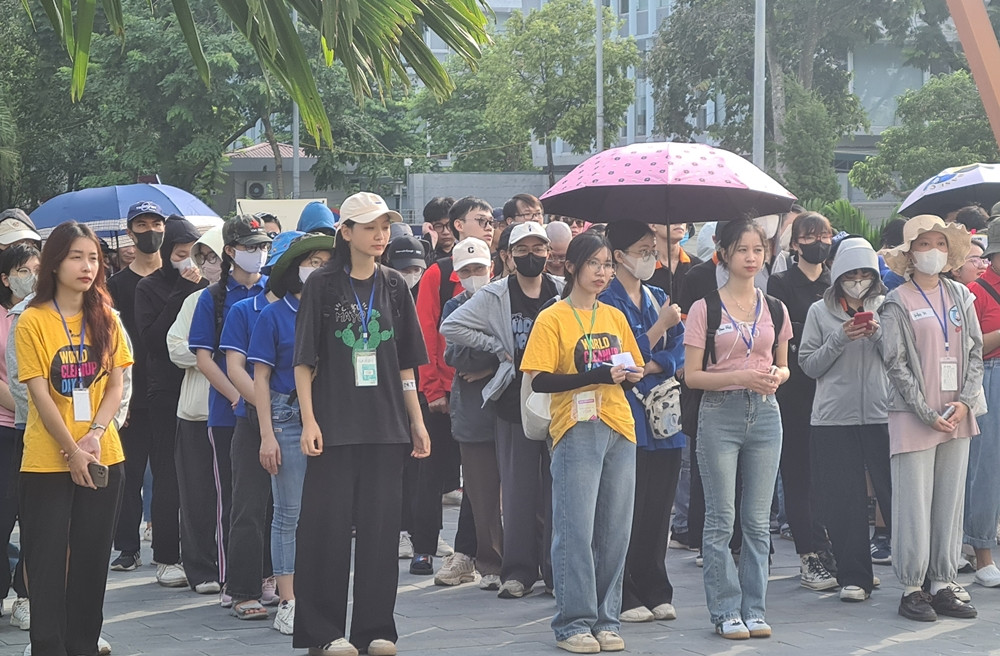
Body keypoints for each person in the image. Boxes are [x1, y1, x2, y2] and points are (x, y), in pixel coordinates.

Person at [292, 191, 430, 656]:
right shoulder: (322, 284)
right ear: (346, 232)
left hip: (386, 428)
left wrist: (416, 421)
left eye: (385, 226)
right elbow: (304, 362)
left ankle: (376, 630)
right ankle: (324, 632)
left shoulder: (394, 285)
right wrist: (309, 420)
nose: (380, 235)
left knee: (381, 534)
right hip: (333, 428)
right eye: (369, 227)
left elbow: (406, 363)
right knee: (326, 532)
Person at [520, 231, 643, 654]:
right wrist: (594, 376)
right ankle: (573, 622)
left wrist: (630, 374)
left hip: (619, 426)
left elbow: (633, 367)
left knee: (615, 530)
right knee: (575, 528)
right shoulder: (552, 317)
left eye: (608, 264)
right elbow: (539, 380)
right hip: (574, 427)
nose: (602, 272)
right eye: (594, 263)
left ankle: (607, 619)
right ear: (571, 266)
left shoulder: (614, 316)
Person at [15, 221, 132, 656]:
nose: (87, 266)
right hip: (48, 460)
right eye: (76, 257)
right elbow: (39, 393)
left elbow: (116, 385)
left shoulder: (107, 317)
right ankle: (48, 647)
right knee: (46, 562)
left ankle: (83, 645)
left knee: (90, 562)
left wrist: (95, 435)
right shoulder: (32, 320)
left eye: (93, 258)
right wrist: (71, 450)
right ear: (54, 263)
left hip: (102, 455)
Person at [442, 223, 565, 598]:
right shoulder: (495, 294)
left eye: (538, 248)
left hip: (558, 400)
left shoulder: (561, 290)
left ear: (548, 253)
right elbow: (452, 326)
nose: (532, 255)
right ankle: (518, 571)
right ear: (508, 256)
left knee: (557, 491)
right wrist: (497, 347)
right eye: (522, 249)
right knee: (517, 492)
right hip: (513, 403)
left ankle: (555, 570)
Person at [683, 218, 791, 640]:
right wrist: (740, 377)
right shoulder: (704, 307)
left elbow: (784, 364)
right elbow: (692, 375)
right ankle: (725, 610)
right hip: (719, 412)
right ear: (723, 253)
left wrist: (776, 375)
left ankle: (755, 608)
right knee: (721, 519)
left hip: (765, 412)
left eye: (758, 250)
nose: (751, 257)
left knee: (758, 520)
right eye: (742, 249)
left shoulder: (775, 307)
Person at [881, 214, 983, 622]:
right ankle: (912, 587)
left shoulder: (961, 295)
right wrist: (924, 410)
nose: (933, 252)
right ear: (909, 254)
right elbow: (895, 362)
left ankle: (943, 581)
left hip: (957, 412)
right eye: (924, 245)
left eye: (940, 244)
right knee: (913, 502)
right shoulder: (896, 301)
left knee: (949, 500)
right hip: (914, 415)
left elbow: (975, 350)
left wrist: (966, 401)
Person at [248, 232, 335, 635]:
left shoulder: (333, 311)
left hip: (331, 415)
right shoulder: (273, 314)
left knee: (326, 512)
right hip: (285, 416)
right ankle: (288, 599)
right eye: (312, 262)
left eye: (325, 263)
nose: (319, 270)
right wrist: (266, 435)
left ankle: (318, 594)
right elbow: (260, 378)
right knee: (289, 512)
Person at [600, 220, 685, 623]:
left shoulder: (658, 296)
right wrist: (659, 328)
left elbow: (679, 351)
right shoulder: (607, 300)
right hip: (627, 412)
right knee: (626, 506)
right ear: (619, 256)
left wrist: (652, 363)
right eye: (643, 250)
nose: (650, 257)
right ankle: (623, 589)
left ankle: (655, 585)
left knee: (658, 506)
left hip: (664, 413)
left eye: (653, 250)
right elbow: (620, 357)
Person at [799, 237, 893, 602]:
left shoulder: (888, 306)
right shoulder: (818, 312)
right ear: (838, 275)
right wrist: (840, 338)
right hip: (833, 420)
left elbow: (901, 359)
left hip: (882, 414)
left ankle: (915, 574)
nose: (857, 281)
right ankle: (854, 576)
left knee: (894, 494)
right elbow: (809, 365)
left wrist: (878, 335)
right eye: (851, 275)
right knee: (844, 499)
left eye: (864, 275)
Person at [189, 215, 272, 602]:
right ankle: (232, 579)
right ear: (230, 251)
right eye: (251, 247)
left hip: (270, 411)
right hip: (228, 413)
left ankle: (268, 575)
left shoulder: (272, 291)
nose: (259, 253)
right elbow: (205, 358)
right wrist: (237, 396)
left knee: (271, 502)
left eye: (263, 246)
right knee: (236, 500)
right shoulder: (213, 298)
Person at [411, 197, 495, 576]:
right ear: (458, 225)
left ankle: (468, 551)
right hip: (442, 392)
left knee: (476, 475)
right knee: (430, 471)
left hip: (483, 394)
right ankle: (423, 547)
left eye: (491, 221)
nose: (489, 226)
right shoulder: (439, 273)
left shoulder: (498, 276)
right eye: (481, 220)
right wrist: (432, 389)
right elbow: (426, 333)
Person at [222, 235, 301, 620]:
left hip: (303, 421)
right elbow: (235, 367)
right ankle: (242, 589)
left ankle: (278, 580)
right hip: (254, 420)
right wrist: (268, 407)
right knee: (250, 506)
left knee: (288, 509)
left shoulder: (310, 310)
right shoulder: (246, 309)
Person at [134, 215, 207, 588]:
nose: (188, 261)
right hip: (164, 391)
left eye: (194, 253)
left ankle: (204, 552)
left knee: (203, 475)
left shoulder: (207, 286)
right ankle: (166, 555)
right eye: (180, 254)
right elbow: (153, 340)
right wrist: (180, 290)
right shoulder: (148, 287)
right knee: (167, 473)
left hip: (202, 387)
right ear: (166, 254)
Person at [767, 212, 837, 591]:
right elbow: (781, 334)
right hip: (794, 391)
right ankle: (808, 554)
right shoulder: (780, 284)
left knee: (829, 475)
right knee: (797, 474)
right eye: (810, 237)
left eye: (824, 236)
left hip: (833, 390)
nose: (819, 243)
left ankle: (831, 549)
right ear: (795, 244)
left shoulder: (835, 283)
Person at [438, 238, 504, 591]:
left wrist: (491, 365)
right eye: (466, 271)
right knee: (481, 493)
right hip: (473, 412)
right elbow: (455, 356)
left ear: (491, 266)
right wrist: (499, 355)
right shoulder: (455, 305)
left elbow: (520, 346)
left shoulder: (506, 298)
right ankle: (487, 562)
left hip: (510, 407)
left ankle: (527, 560)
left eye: (479, 267)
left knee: (522, 490)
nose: (474, 275)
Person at [166, 225, 228, 595]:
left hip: (237, 412)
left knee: (233, 496)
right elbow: (175, 347)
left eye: (214, 257)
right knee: (197, 495)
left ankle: (235, 566)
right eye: (203, 258)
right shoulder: (195, 301)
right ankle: (202, 568)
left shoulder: (254, 298)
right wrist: (209, 354)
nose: (207, 265)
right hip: (196, 412)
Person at [106, 201, 166, 574]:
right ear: (130, 233)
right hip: (130, 395)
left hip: (169, 392)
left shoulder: (177, 279)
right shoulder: (115, 285)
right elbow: (107, 342)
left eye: (156, 224)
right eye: (141, 225)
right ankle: (127, 547)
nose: (150, 231)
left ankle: (167, 547)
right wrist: (118, 400)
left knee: (168, 476)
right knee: (127, 477)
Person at [0, 244, 39, 630]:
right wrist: (29, 405)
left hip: (39, 429)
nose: (32, 276)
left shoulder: (46, 312)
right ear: (6, 278)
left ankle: (27, 595)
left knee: (34, 517)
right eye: (23, 270)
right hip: (5, 425)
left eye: (38, 268)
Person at [964, 220, 1000, 588]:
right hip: (990, 374)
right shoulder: (974, 292)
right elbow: (972, 347)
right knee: (986, 467)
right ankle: (982, 551)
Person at [648, 222, 702, 304]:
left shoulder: (698, 267)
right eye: (672, 219)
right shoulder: (642, 269)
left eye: (683, 218)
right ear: (653, 225)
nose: (679, 222)